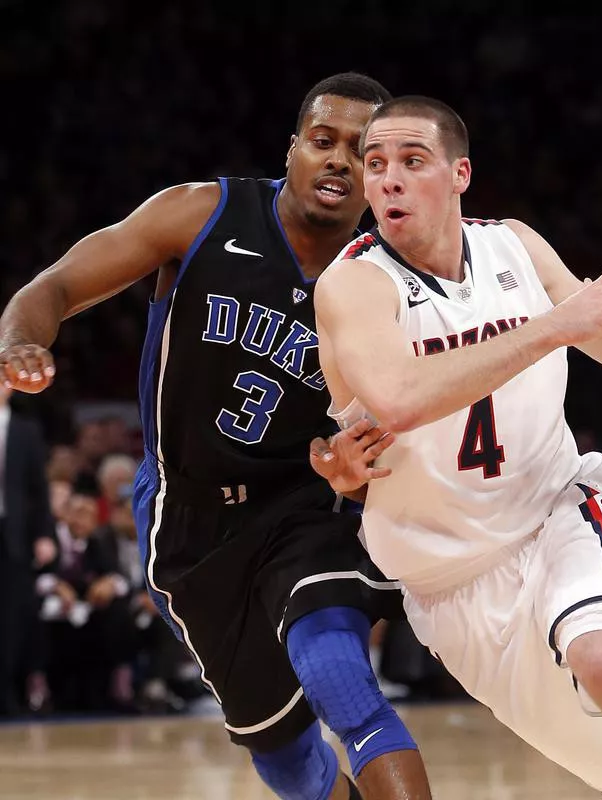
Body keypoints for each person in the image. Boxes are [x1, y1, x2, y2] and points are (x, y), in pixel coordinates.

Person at [0, 74, 432, 800]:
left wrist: (355, 464)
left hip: (306, 506)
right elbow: (55, 287)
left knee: (340, 676)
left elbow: (391, 415)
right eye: (322, 142)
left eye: (361, 152)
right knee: (288, 761)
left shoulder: (384, 280)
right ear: (292, 148)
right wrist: (20, 343)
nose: (337, 161)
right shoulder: (201, 213)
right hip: (187, 516)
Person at [313, 95, 602, 798]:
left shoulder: (515, 245)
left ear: (459, 175)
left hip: (559, 509)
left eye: (412, 161)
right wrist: (551, 327)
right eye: (375, 163)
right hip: (450, 582)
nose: (387, 179)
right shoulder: (352, 285)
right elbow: (401, 397)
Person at [0, 383, 57, 716]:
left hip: (13, 534)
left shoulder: (26, 430)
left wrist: (44, 534)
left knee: (10, 619)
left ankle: (6, 694)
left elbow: (39, 489)